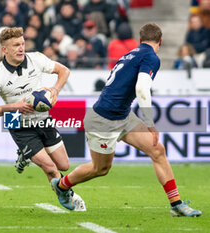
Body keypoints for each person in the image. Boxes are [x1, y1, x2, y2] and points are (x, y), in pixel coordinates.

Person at [51, 23, 202, 217]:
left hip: (122, 115)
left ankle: (176, 204)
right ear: (160, 41)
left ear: (139, 40)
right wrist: (150, 124)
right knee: (100, 169)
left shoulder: (131, 54)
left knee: (157, 150)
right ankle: (62, 186)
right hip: (103, 119)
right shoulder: (151, 57)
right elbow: (141, 89)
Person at [0, 27, 85, 211]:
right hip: (16, 121)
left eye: (22, 43)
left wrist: (55, 90)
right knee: (51, 168)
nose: (21, 48)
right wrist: (15, 106)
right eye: (15, 45)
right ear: (4, 49)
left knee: (64, 164)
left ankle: (25, 156)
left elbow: (64, 71)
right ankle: (66, 196)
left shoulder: (36, 59)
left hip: (42, 118)